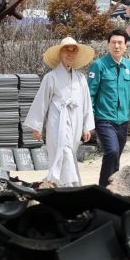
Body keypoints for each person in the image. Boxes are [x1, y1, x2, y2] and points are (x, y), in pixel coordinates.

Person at [24, 37, 95, 186]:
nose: (70, 53)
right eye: (66, 50)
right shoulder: (50, 77)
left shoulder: (81, 78)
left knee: (70, 151)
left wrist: (86, 127)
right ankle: (70, 186)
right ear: (60, 53)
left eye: (73, 50)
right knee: (63, 151)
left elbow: (86, 103)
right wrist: (37, 126)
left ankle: (58, 184)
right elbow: (42, 102)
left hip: (75, 121)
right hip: (57, 121)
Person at [88, 29, 130, 187]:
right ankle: (102, 189)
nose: (117, 46)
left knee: (116, 158)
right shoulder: (99, 65)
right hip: (104, 119)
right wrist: (89, 121)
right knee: (112, 151)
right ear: (108, 45)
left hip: (123, 120)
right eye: (113, 42)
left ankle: (113, 189)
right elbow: (90, 94)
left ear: (125, 46)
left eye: (120, 43)